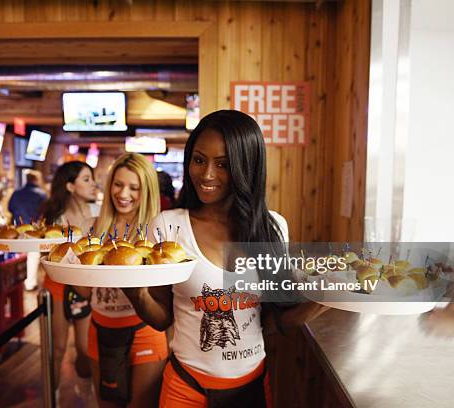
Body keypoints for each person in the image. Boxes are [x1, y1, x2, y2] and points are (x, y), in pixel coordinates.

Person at [121, 110, 328, 407]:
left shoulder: (272, 228)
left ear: (247, 168)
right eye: (199, 159)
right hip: (185, 388)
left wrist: (328, 297)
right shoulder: (168, 226)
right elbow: (162, 317)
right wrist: (136, 293)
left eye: (223, 164)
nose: (206, 175)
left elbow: (273, 320)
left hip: (251, 389)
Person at [76, 153, 167, 408]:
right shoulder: (91, 228)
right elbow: (85, 292)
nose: (123, 193)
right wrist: (58, 266)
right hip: (100, 328)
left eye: (134, 187)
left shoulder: (158, 230)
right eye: (118, 184)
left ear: (146, 191)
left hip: (144, 331)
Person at [41, 161, 99, 384]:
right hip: (57, 287)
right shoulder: (55, 219)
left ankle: (85, 393)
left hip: (86, 286)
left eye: (92, 178)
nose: (93, 184)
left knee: (85, 350)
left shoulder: (99, 213)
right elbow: (44, 256)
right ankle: (52, 396)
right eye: (86, 179)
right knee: (57, 348)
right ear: (70, 186)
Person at [8, 170, 47, 290]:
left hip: (17, 228)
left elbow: (10, 208)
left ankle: (15, 283)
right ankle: (30, 283)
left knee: (17, 255)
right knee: (33, 254)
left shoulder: (16, 193)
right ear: (36, 180)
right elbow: (44, 212)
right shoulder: (41, 194)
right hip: (33, 228)